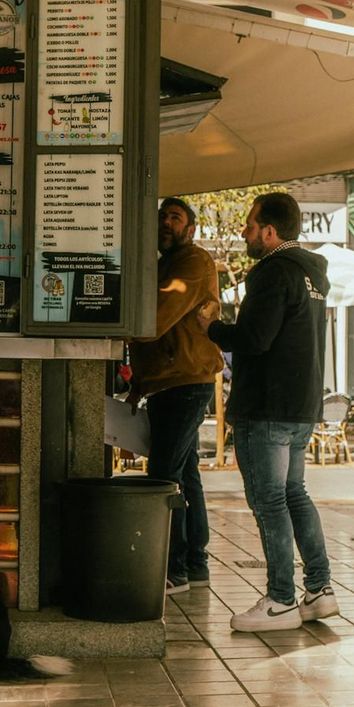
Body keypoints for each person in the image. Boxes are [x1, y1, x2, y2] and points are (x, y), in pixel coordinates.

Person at [196, 191, 338, 632]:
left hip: (268, 406)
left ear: (270, 231)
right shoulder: (311, 274)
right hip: (301, 406)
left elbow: (255, 338)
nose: (245, 232)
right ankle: (319, 590)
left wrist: (211, 328)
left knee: (270, 501)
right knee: (294, 493)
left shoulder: (273, 272)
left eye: (251, 225)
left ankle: (280, 600)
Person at [128, 198, 223, 596]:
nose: (166, 223)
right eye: (162, 216)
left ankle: (174, 570)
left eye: (175, 217)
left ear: (191, 229)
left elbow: (153, 320)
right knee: (185, 475)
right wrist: (140, 383)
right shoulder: (165, 264)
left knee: (163, 476)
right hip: (170, 381)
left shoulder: (193, 262)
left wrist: (118, 322)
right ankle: (196, 565)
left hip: (185, 381)